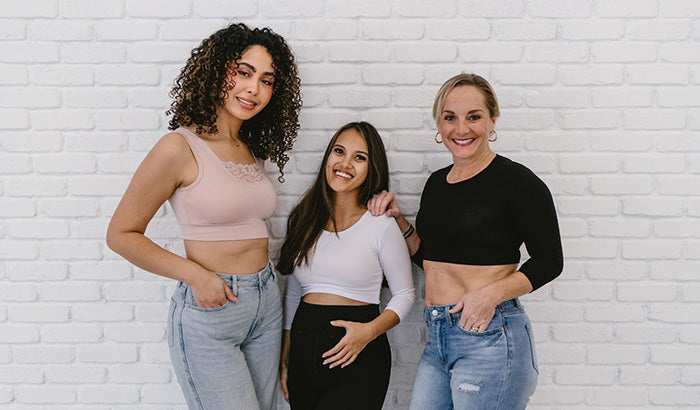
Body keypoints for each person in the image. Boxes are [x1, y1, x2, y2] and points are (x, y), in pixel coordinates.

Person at [106, 23, 301, 410]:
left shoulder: (251, 150)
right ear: (216, 71)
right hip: (211, 309)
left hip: (265, 301)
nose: (253, 89)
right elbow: (121, 234)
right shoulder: (178, 147)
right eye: (243, 72)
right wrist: (196, 275)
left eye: (266, 80)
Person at [368, 73, 563, 410]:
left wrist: (490, 295)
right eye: (450, 118)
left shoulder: (518, 183)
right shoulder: (436, 184)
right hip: (438, 338)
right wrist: (399, 221)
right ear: (439, 125)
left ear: (492, 120)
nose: (461, 129)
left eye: (474, 117)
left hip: (490, 336)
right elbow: (430, 257)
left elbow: (549, 260)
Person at [277, 122, 415, 410]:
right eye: (339, 151)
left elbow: (405, 294)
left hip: (359, 356)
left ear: (371, 167)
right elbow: (293, 291)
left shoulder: (381, 225)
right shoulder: (303, 219)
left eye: (359, 157)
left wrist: (369, 331)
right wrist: (285, 356)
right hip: (303, 352)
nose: (345, 163)